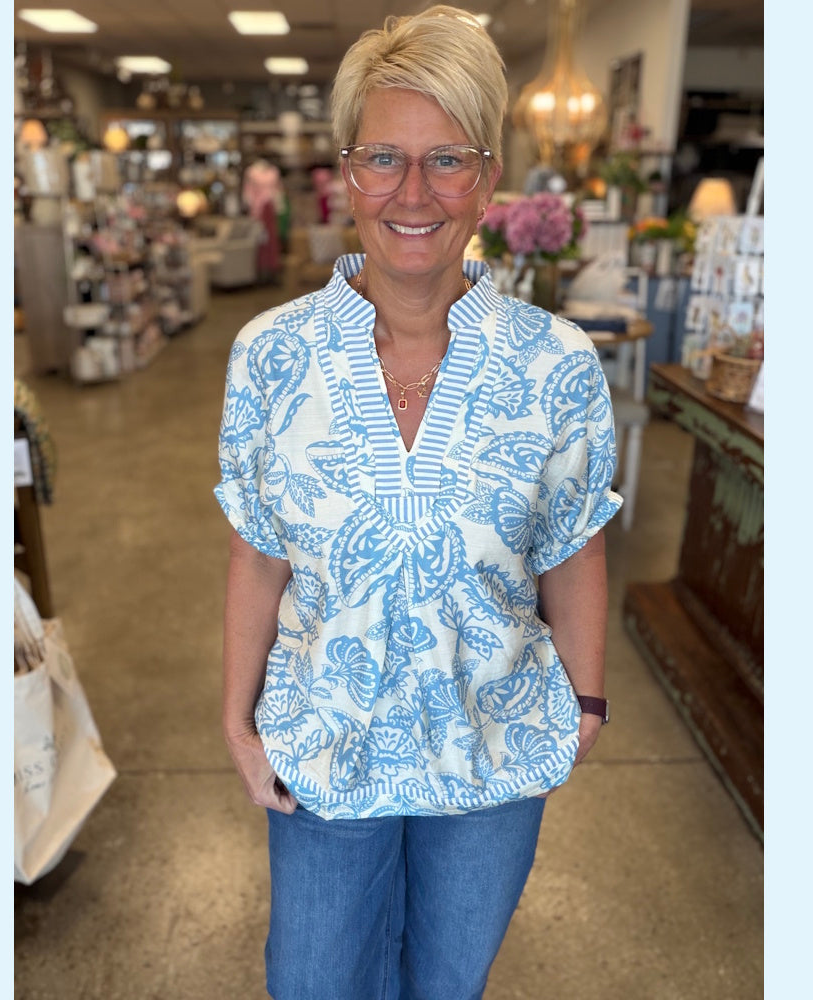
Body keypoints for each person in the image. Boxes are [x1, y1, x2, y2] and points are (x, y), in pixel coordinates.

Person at [215, 7, 621, 998]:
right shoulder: (271, 352)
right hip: (324, 733)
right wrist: (236, 716)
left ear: (487, 177)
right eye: (382, 158)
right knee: (311, 980)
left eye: (447, 160)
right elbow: (259, 550)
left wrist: (587, 700)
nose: (411, 192)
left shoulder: (555, 361)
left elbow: (572, 545)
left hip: (491, 740)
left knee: (447, 985)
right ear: (345, 171)